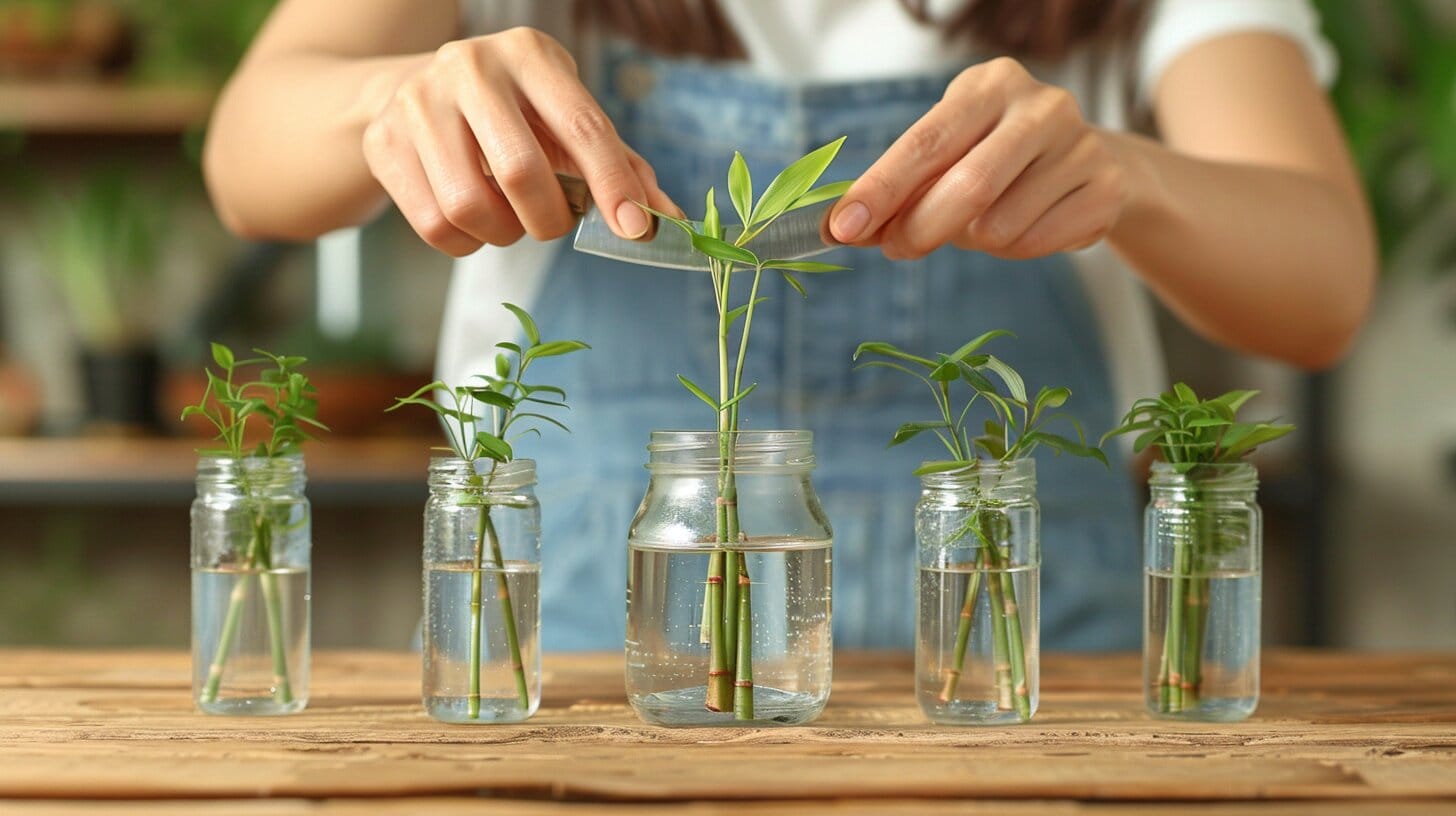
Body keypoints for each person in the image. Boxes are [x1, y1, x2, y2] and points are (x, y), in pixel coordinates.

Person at [204, 0, 1374, 651]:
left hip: (1029, 652)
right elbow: (248, 159)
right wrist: (386, 95)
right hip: (582, 655)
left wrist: (1128, 176)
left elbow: (1323, 287)